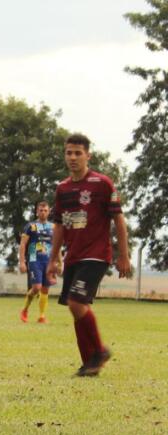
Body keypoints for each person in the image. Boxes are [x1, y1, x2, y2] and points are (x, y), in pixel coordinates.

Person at [47, 133, 131, 377]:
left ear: (87, 155)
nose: (72, 157)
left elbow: (119, 219)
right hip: (74, 255)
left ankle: (100, 351)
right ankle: (89, 364)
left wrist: (122, 255)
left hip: (97, 254)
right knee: (75, 308)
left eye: (77, 153)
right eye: (69, 152)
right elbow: (60, 225)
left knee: (76, 302)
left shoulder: (102, 184)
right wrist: (54, 258)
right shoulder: (62, 189)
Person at [18, 201, 56, 323]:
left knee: (45, 289)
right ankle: (25, 309)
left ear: (49, 212)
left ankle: (42, 316)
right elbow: (23, 244)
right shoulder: (31, 226)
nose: (43, 212)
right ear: (37, 211)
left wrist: (59, 262)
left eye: (45, 210)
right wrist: (22, 262)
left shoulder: (53, 227)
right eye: (41, 210)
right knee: (36, 288)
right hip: (34, 258)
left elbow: (57, 245)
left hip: (48, 260)